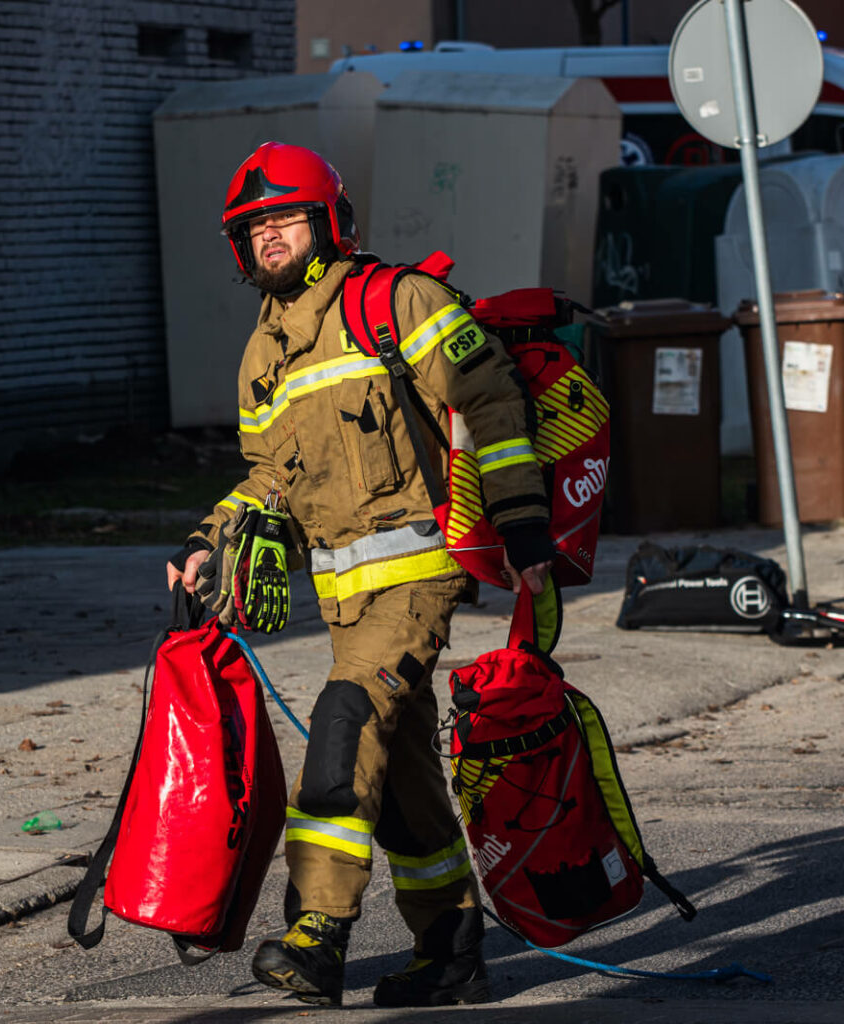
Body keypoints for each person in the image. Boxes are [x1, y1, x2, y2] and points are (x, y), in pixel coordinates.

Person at [165, 142, 552, 1008]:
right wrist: (207, 539)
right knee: (406, 779)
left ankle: (317, 933)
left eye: (286, 220)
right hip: (341, 600)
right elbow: (268, 477)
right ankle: (451, 951)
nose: (271, 239)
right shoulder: (262, 353)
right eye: (254, 228)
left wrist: (524, 524)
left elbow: (491, 400)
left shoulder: (399, 300)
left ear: (329, 222)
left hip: (418, 579)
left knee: (344, 727)